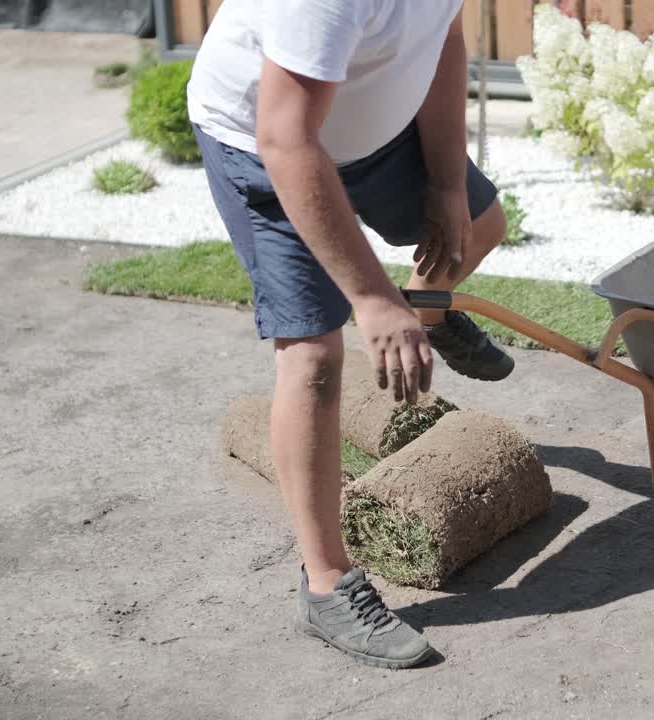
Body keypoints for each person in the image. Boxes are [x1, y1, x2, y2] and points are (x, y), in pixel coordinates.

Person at [187, 0, 514, 669]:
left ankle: (425, 314)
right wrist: (369, 297)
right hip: (265, 145)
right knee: (312, 355)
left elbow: (441, 37)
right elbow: (286, 139)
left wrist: (449, 183)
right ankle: (326, 584)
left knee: (478, 226)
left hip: (372, 135)